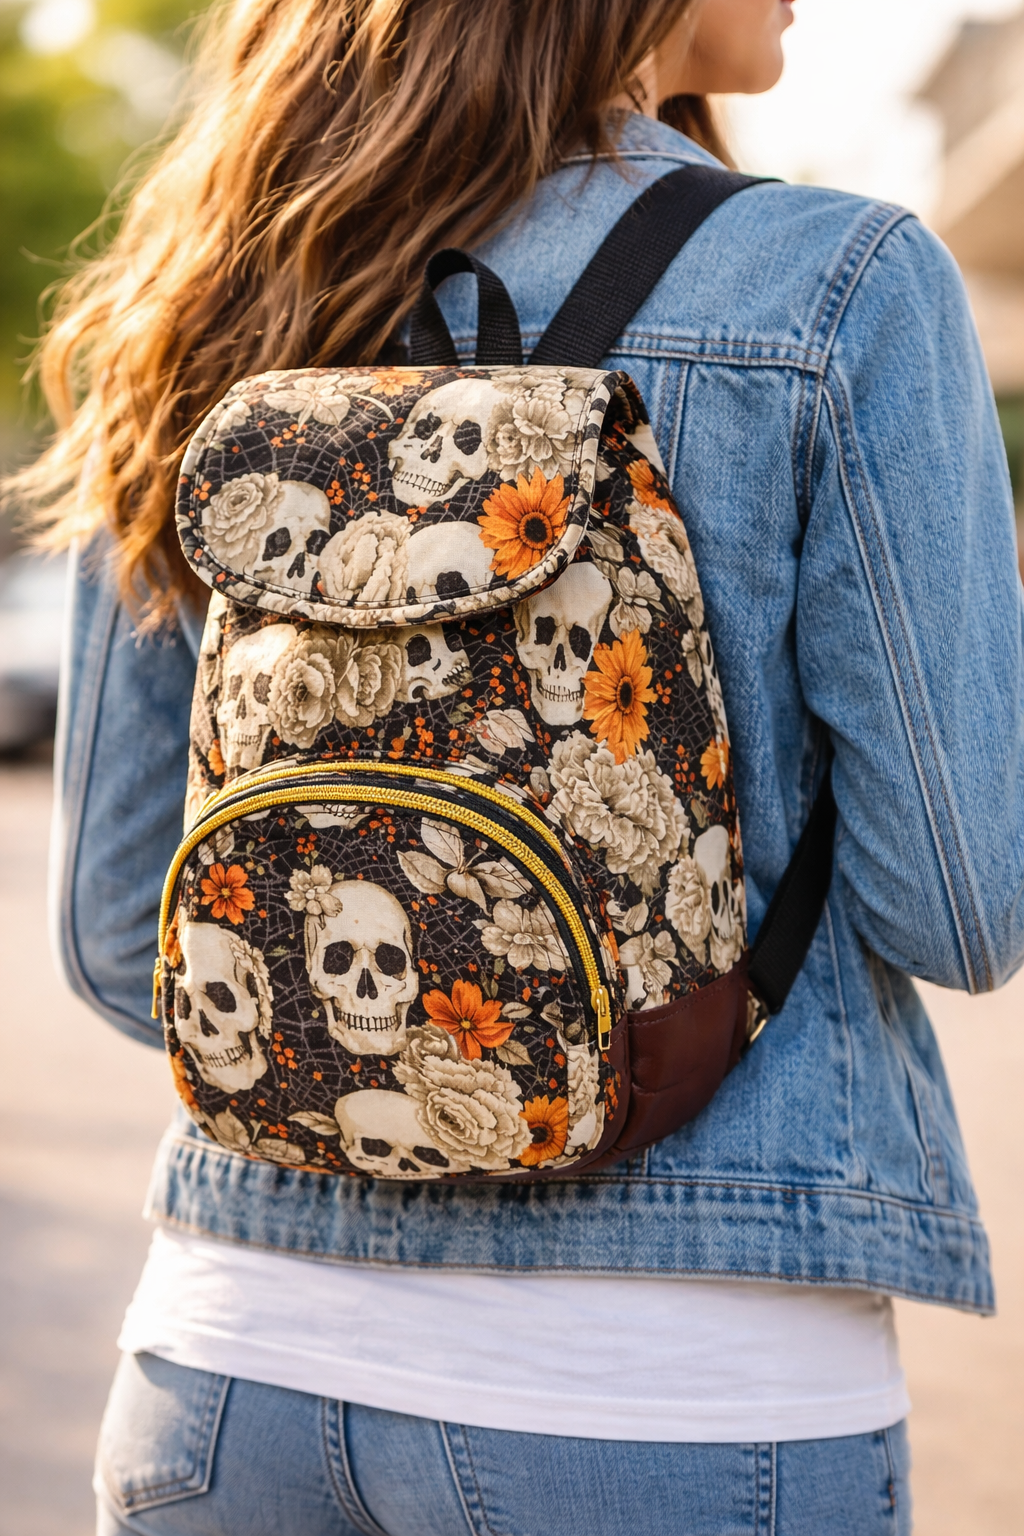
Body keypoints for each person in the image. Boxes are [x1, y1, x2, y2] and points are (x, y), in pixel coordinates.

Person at [14, 0, 1024, 1530]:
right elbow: (961, 905)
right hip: (669, 1387)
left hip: (232, 1367)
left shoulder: (216, 279)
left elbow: (115, 939)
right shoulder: (840, 288)